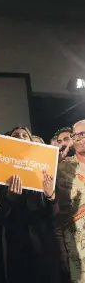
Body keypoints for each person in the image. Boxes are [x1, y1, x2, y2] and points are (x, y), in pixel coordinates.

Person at [0, 127, 60, 283]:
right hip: (18, 248)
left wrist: (51, 196)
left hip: (44, 245)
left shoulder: (43, 172)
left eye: (25, 135)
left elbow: (54, 214)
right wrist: (10, 198)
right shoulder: (0, 174)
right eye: (16, 135)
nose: (21, 137)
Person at [56, 120, 85, 283]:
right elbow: (57, 214)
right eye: (75, 135)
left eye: (83, 134)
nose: (79, 138)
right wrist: (62, 249)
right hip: (77, 245)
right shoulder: (62, 168)